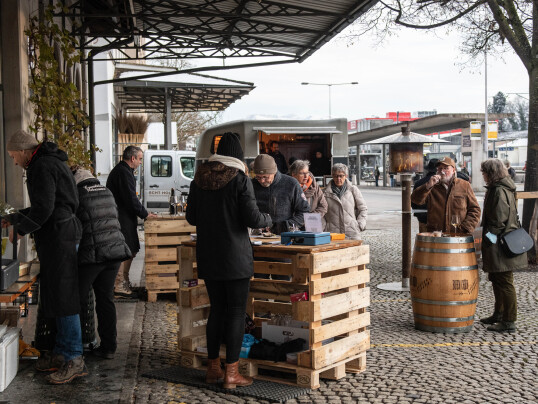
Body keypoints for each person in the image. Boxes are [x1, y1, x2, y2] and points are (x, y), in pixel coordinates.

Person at [186, 132, 272, 388]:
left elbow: (191, 217)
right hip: (235, 257)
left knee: (217, 311)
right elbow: (252, 218)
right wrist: (267, 219)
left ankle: (213, 368)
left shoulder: (198, 179)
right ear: (237, 155)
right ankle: (232, 374)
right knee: (236, 313)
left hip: (209, 256)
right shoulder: (239, 179)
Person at [4, 130, 86, 384]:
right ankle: (62, 351)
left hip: (59, 235)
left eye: (13, 156)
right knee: (57, 294)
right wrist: (11, 219)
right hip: (60, 234)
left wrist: (20, 229)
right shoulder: (49, 162)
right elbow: (46, 204)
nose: (14, 162)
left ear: (23, 151)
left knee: (64, 295)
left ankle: (74, 356)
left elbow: (45, 208)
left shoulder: (40, 166)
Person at [72, 167, 132, 359]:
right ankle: (108, 347)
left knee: (76, 300)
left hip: (93, 254)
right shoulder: (106, 191)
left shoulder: (78, 194)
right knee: (106, 299)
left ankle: (75, 347)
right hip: (114, 251)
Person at [479, 159, 527, 333]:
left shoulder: (499, 190)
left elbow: (498, 222)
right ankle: (498, 314)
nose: (482, 175)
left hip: (499, 243)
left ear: (491, 173)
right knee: (497, 279)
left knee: (505, 282)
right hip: (500, 241)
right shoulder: (504, 187)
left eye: (484, 172)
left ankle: (509, 320)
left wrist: (488, 241)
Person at [106, 146, 157, 297]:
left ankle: (124, 282)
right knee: (125, 250)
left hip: (123, 216)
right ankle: (119, 284)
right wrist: (145, 214)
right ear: (133, 158)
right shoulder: (123, 172)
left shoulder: (123, 171)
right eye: (140, 159)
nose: (141, 162)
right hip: (121, 217)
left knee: (131, 249)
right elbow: (130, 198)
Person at [411, 157, 480, 234]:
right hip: (436, 234)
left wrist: (465, 228)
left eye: (446, 168)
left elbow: (475, 210)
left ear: (453, 170)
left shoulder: (464, 185)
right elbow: (416, 200)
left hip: (457, 234)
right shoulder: (432, 186)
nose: (442, 171)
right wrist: (427, 186)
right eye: (439, 169)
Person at [251, 154, 310, 234]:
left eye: (266, 177)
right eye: (258, 177)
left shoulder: (291, 184)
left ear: (274, 172)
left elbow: (304, 211)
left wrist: (285, 226)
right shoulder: (251, 185)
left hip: (284, 235)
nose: (262, 181)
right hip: (256, 236)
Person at [323, 163, 368, 240]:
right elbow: (321, 213)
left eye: (341, 176)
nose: (338, 178)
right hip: (332, 234)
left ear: (346, 176)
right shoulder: (325, 193)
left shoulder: (353, 190)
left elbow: (363, 209)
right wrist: (324, 228)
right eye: (336, 176)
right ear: (332, 176)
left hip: (352, 233)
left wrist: (360, 225)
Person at [412, 159, 439, 233]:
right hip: (439, 221)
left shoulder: (419, 183)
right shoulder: (441, 184)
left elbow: (413, 203)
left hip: (423, 219)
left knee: (425, 242)